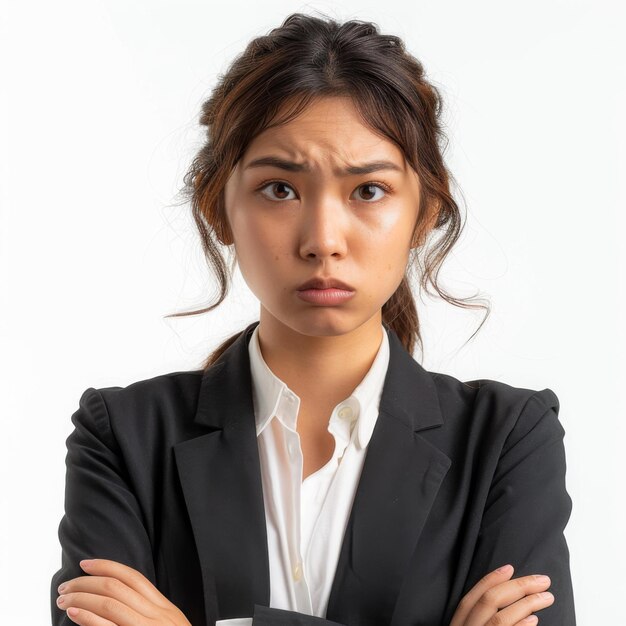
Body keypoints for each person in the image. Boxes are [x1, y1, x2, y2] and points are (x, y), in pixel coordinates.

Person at [50, 12, 576, 626]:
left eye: (368, 190)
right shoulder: (123, 438)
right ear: (217, 207)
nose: (323, 240)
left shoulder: (507, 439)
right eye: (279, 189)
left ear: (425, 210)